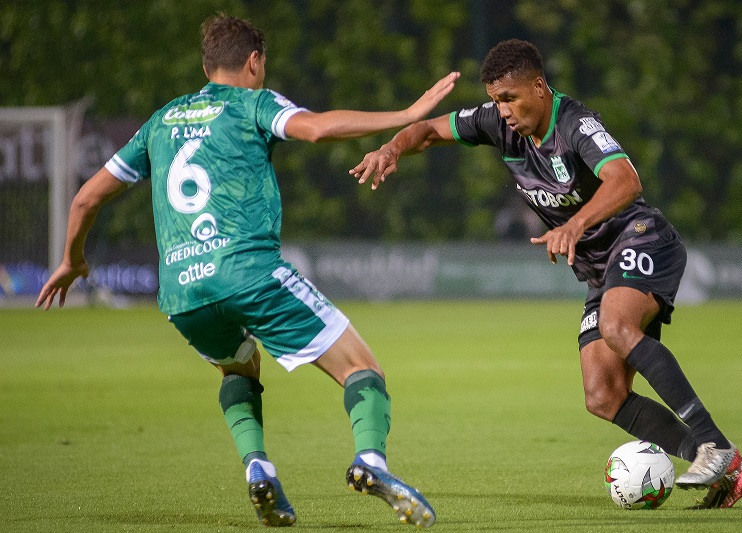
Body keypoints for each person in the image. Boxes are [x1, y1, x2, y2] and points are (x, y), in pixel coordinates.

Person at [36, 14, 460, 528]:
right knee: (362, 369)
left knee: (238, 369)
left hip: (181, 290)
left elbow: (84, 199)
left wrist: (71, 260)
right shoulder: (254, 103)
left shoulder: (161, 121)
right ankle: (370, 462)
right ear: (254, 61)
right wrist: (406, 113)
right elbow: (319, 128)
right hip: (248, 272)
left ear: (206, 64)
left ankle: (258, 467)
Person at [350, 38, 742, 509]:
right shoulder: (496, 125)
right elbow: (424, 131)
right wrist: (391, 148)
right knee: (603, 396)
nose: (501, 110)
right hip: (599, 269)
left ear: (539, 87)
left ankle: (715, 445)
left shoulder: (576, 123)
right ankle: (726, 467)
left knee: (616, 326)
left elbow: (626, 180)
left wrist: (576, 223)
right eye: (495, 100)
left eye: (510, 98)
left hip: (643, 237)